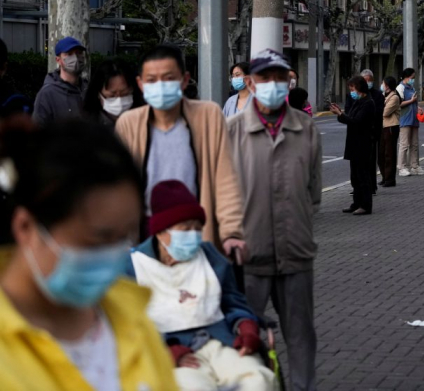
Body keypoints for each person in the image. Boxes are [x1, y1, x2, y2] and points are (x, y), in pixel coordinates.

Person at [0, 119, 177, 389]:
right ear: (26, 227)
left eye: (126, 236)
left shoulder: (132, 317)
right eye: (100, 239)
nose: (114, 255)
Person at [227, 49, 321, 391]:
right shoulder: (233, 131)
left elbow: (313, 193)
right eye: (265, 78)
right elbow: (224, 197)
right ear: (250, 83)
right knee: (247, 339)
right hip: (248, 257)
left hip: (296, 252)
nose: (273, 84)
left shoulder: (306, 128)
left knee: (301, 335)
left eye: (280, 77)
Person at [126, 180, 275, 391]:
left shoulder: (210, 256)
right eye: (185, 228)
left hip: (219, 341)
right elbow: (126, 324)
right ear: (161, 232)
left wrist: (246, 325)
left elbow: (232, 302)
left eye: (198, 228)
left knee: (258, 380)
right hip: (170, 349)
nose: (194, 235)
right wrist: (163, 352)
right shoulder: (132, 267)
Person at [116, 44, 246, 254]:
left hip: (197, 230)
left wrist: (232, 232)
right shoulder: (129, 123)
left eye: (169, 78)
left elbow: (225, 179)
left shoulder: (208, 116)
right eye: (151, 80)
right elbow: (121, 188)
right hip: (147, 234)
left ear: (184, 80)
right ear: (140, 84)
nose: (160, 85)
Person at [331, 76, 375, 215]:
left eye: (352, 88)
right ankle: (356, 203)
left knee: (363, 176)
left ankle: (365, 205)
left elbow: (356, 121)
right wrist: (341, 114)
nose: (351, 91)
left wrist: (340, 114)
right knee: (355, 176)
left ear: (360, 87)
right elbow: (350, 118)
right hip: (354, 143)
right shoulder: (358, 101)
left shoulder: (368, 103)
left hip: (362, 144)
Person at [32, 37, 88, 125]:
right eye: (69, 54)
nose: (76, 58)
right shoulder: (47, 94)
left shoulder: (88, 89)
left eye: (79, 53)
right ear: (58, 60)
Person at [84, 59, 141, 127]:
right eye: (112, 95)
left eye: (125, 94)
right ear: (98, 94)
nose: (119, 101)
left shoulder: (145, 121)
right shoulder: (86, 125)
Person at [396, 68, 424, 176]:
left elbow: (413, 101)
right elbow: (398, 104)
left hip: (414, 118)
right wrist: (411, 101)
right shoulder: (400, 88)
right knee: (404, 144)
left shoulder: (411, 87)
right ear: (406, 77)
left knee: (414, 144)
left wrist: (417, 107)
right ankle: (401, 167)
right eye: (412, 77)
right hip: (405, 119)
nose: (413, 79)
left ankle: (415, 166)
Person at [361, 69, 385, 191]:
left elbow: (379, 112)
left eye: (370, 80)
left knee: (371, 159)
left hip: (373, 131)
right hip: (359, 132)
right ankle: (359, 186)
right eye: (365, 80)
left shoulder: (377, 95)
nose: (368, 83)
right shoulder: (357, 94)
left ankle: (372, 185)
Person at [380, 76, 401, 187]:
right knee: (382, 154)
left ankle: (390, 179)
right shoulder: (384, 96)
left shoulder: (394, 97)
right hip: (383, 127)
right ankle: (384, 177)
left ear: (387, 85)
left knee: (389, 154)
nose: (382, 85)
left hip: (391, 127)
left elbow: (385, 112)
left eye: (383, 83)